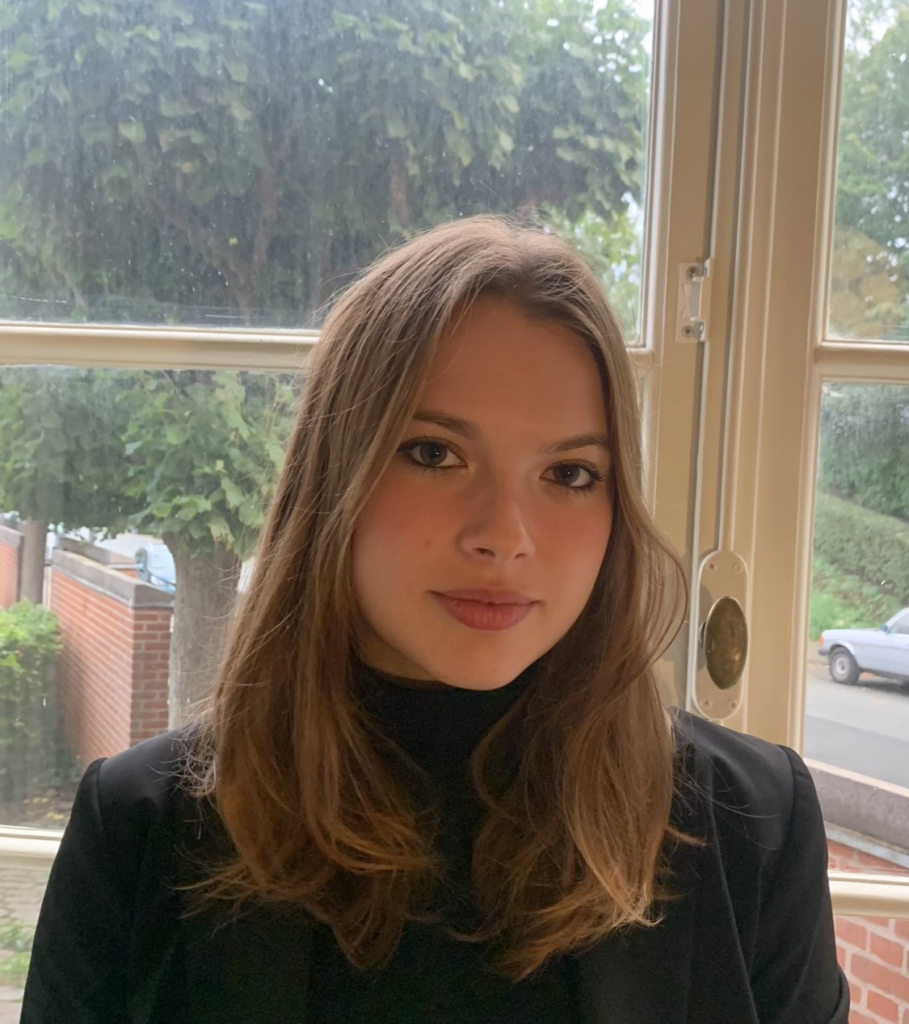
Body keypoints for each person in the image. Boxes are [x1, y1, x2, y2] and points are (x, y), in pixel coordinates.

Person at [21, 216, 848, 1023]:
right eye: (432, 454)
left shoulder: (755, 824)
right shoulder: (141, 829)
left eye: (568, 472)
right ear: (332, 480)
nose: (504, 536)